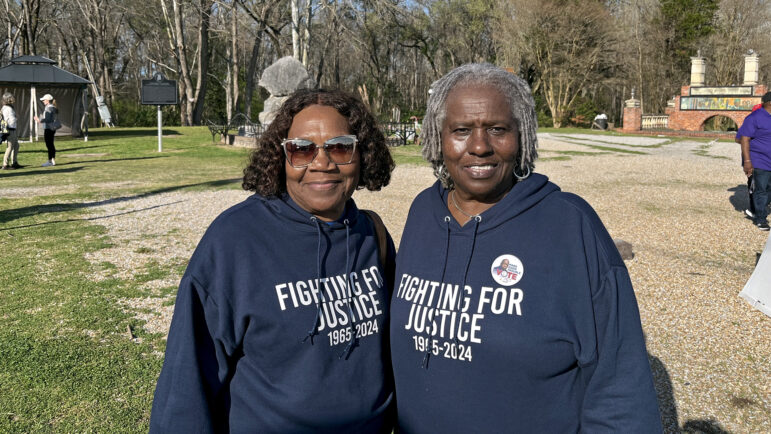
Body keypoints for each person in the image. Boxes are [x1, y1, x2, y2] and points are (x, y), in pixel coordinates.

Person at [390, 63, 662, 433]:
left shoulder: (569, 226)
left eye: (498, 129)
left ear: (523, 136)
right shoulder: (423, 211)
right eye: (461, 130)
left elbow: (619, 385)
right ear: (438, 138)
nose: (480, 146)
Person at [150, 88, 396, 433]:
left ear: (363, 153)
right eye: (302, 149)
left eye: (340, 147)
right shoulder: (236, 240)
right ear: (280, 157)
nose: (322, 162)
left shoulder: (373, 235)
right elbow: (188, 381)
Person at [738, 91, 771, 231]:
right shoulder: (754, 117)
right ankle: (761, 219)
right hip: (759, 160)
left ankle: (757, 209)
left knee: (767, 189)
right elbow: (743, 139)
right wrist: (747, 161)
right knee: (761, 189)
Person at [33, 93, 58, 167]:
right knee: (51, 144)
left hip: (48, 128)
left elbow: (47, 119)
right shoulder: (53, 107)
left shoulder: (48, 108)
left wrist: (38, 120)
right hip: (52, 128)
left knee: (49, 145)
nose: (43, 101)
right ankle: (52, 160)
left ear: (47, 100)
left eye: (44, 100)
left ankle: (50, 161)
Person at [1, 92, 20, 170]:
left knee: (16, 145)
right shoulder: (8, 108)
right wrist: (15, 119)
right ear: (8, 99)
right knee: (10, 147)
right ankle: (5, 164)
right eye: (11, 98)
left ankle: (14, 162)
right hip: (10, 129)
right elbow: (10, 120)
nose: (13, 99)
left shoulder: (7, 107)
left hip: (11, 129)